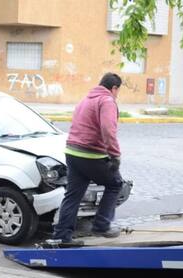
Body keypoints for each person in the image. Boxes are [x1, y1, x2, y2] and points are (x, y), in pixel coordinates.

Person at [52, 72, 124, 244]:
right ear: (114, 88)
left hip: (72, 153)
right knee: (115, 184)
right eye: (118, 91)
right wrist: (115, 155)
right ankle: (101, 225)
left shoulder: (86, 99)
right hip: (90, 155)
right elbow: (108, 130)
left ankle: (62, 237)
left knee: (73, 195)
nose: (117, 95)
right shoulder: (107, 101)